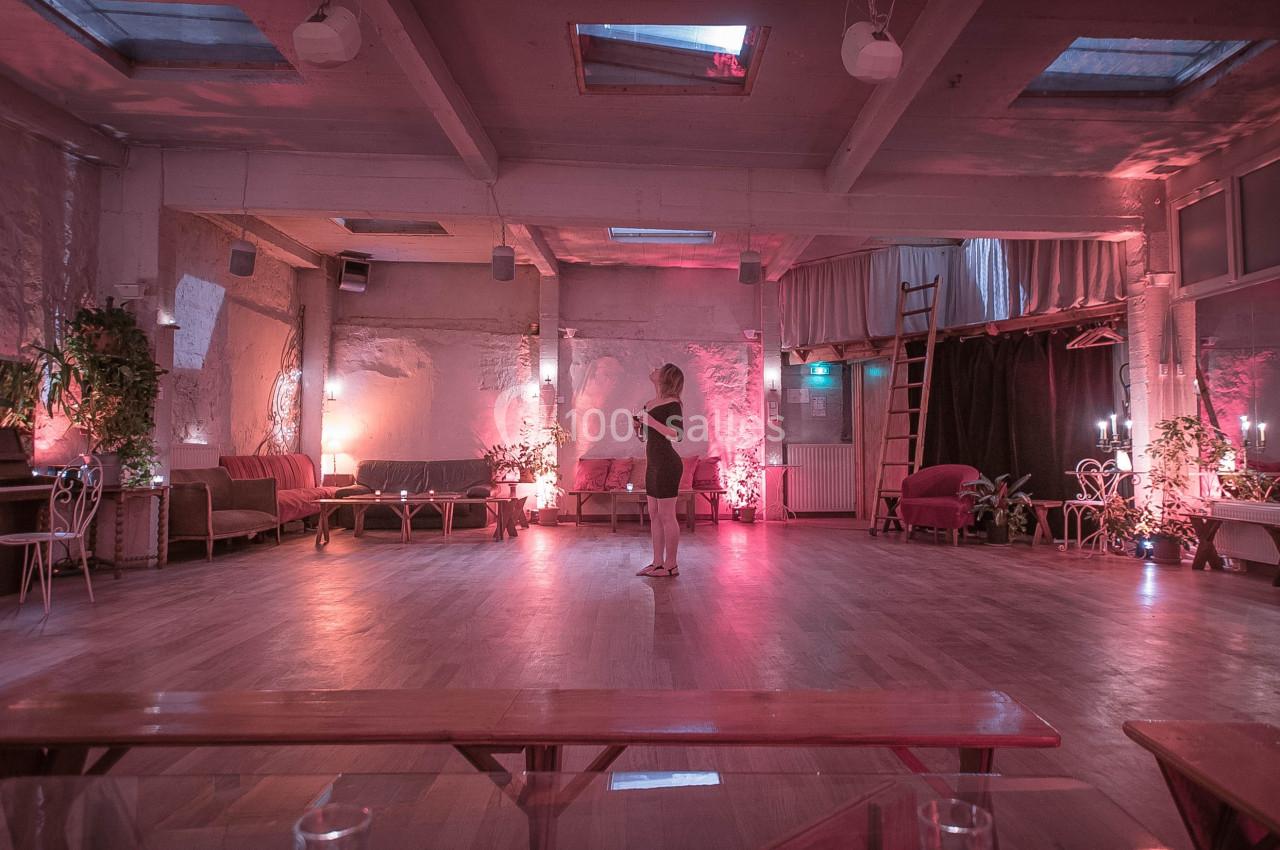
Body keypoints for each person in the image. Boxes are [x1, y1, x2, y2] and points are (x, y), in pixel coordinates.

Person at [635, 363, 685, 578]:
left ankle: (671, 565)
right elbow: (645, 438)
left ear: (666, 377)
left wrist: (652, 422)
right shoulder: (649, 404)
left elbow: (677, 434)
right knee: (654, 514)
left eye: (659, 368)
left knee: (666, 515)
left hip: (667, 464)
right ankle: (657, 563)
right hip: (654, 464)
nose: (654, 369)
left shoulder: (673, 404)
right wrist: (638, 429)